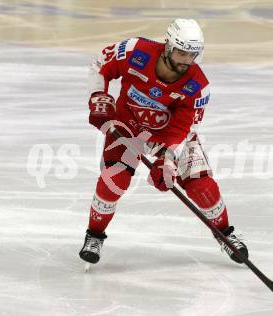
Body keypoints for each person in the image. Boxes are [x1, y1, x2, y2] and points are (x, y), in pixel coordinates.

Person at [79, 18, 248, 265]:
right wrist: (99, 97)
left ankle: (226, 235)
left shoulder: (198, 86)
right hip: (127, 126)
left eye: (192, 55)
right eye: (181, 52)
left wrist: (167, 158)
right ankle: (94, 236)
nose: (185, 61)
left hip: (168, 135)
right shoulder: (136, 51)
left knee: (201, 186)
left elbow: (184, 127)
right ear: (168, 45)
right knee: (114, 179)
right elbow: (100, 65)